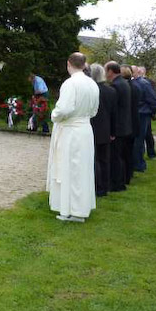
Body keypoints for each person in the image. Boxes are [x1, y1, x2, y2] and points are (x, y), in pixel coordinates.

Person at [47, 52, 100, 222]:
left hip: (71, 131)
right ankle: (79, 208)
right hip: (85, 130)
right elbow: (94, 111)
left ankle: (69, 209)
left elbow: (64, 109)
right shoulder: (92, 84)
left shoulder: (70, 84)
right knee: (82, 170)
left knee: (68, 169)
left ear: (68, 63)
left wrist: (54, 115)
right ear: (84, 65)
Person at [90, 63, 117, 197]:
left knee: (94, 160)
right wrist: (113, 131)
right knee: (104, 159)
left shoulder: (90, 90)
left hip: (92, 128)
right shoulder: (111, 91)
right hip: (105, 128)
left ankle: (96, 186)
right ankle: (104, 187)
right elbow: (114, 114)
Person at [105, 61, 131, 192]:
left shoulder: (116, 85)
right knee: (120, 156)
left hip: (118, 126)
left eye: (106, 70)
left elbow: (114, 109)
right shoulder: (124, 83)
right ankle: (121, 181)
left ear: (110, 71)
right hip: (125, 124)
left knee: (115, 156)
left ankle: (117, 183)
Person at [131, 66, 156, 172]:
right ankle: (137, 163)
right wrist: (153, 112)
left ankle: (137, 163)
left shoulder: (142, 84)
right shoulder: (141, 83)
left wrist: (152, 112)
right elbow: (153, 101)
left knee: (138, 139)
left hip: (141, 113)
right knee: (138, 139)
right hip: (141, 113)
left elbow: (153, 101)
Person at [121, 66, 140, 182]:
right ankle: (129, 173)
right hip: (134, 121)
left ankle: (125, 175)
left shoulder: (125, 87)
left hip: (127, 122)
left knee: (124, 151)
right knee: (130, 149)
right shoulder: (135, 86)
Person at [141, 67, 156, 159]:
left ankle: (151, 152)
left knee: (147, 133)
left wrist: (153, 112)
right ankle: (143, 152)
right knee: (144, 133)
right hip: (143, 111)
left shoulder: (149, 82)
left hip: (146, 110)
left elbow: (152, 97)